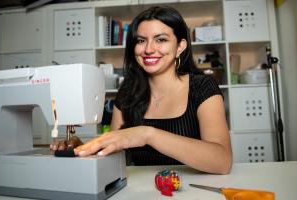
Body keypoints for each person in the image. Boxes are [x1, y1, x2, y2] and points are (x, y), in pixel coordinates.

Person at [51, 6, 232, 174]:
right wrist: (82, 150)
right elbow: (116, 157)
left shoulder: (202, 87)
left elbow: (222, 161)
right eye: (141, 40)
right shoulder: (127, 93)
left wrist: (147, 134)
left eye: (161, 39)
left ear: (180, 47)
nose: (148, 49)